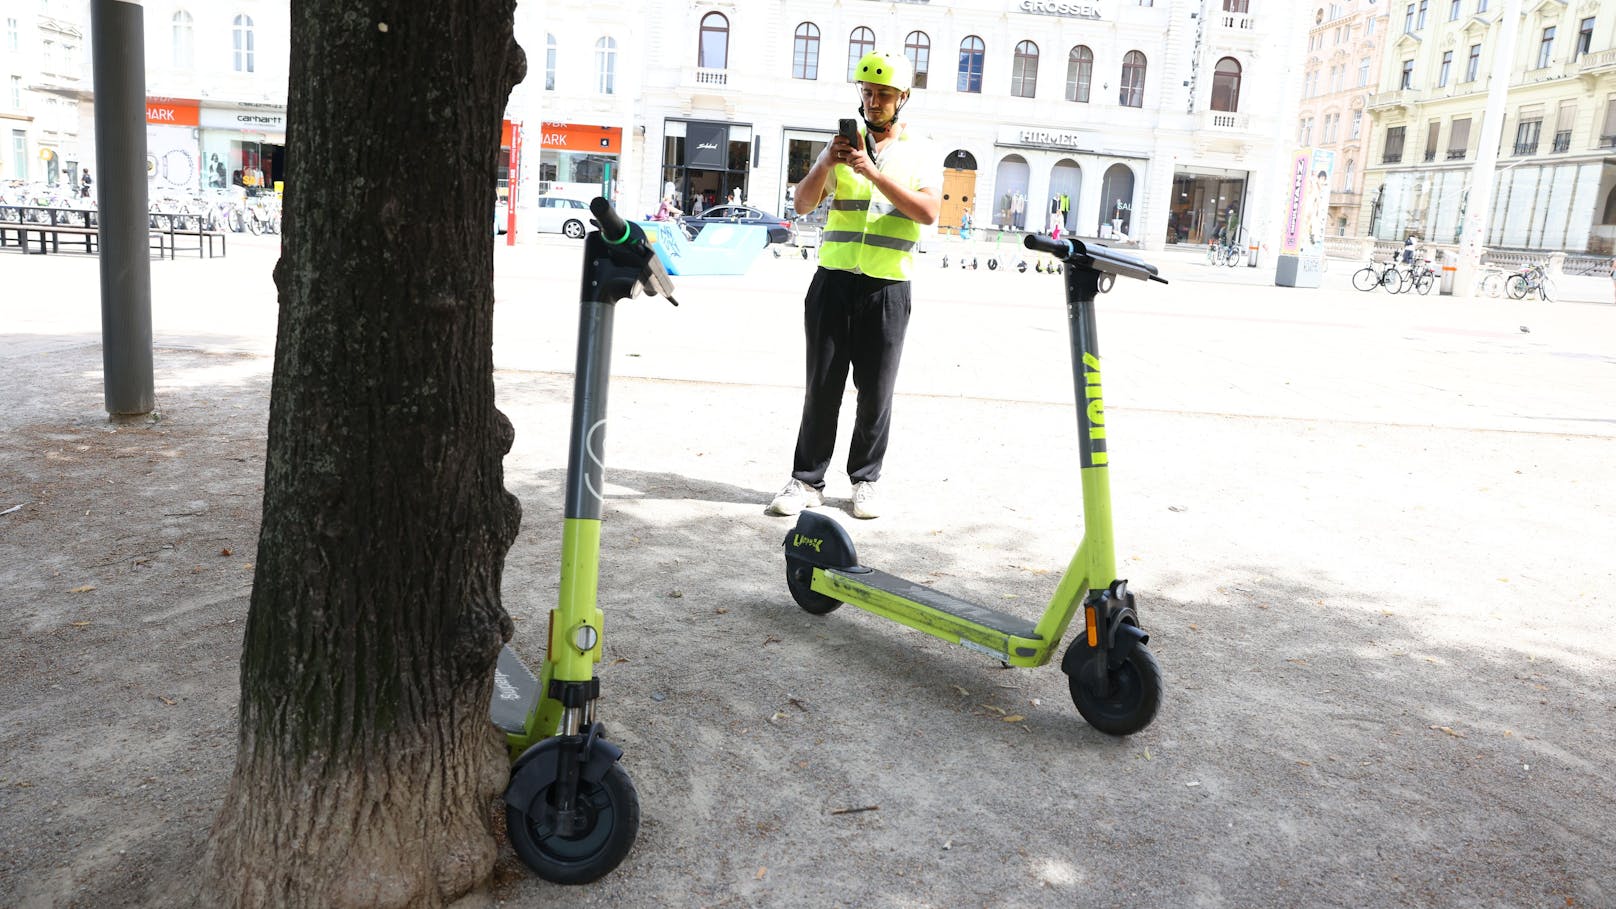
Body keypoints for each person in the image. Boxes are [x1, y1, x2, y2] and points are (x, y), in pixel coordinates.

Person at [766, 50, 940, 520]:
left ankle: (866, 481)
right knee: (821, 386)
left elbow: (927, 212)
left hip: (887, 287)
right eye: (867, 92)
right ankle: (805, 481)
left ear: (903, 97)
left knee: (876, 392)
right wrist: (825, 161)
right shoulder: (839, 149)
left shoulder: (920, 151)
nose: (874, 101)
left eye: (884, 94)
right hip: (834, 281)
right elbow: (802, 205)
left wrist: (873, 173)